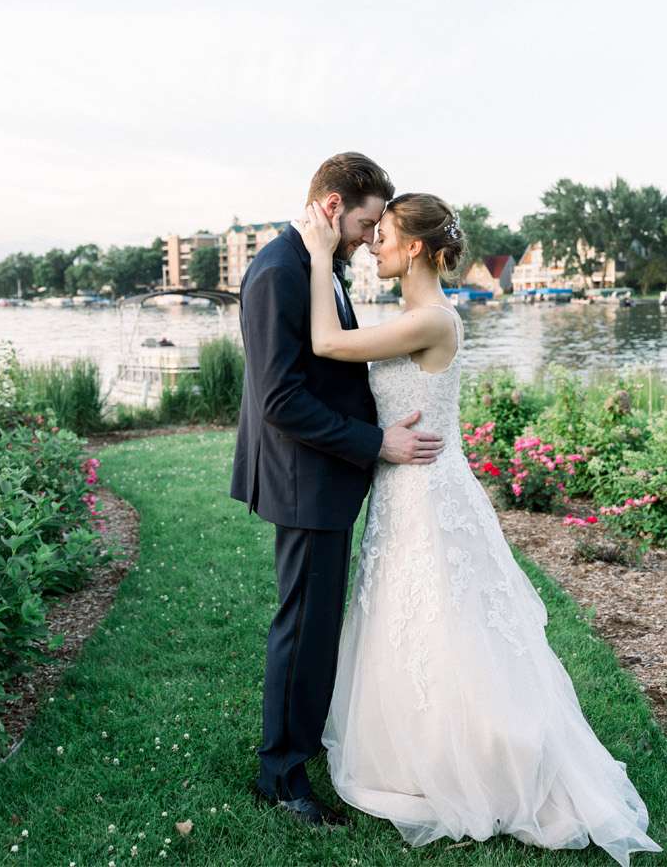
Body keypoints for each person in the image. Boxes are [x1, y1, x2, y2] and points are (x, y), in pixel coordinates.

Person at [298, 192, 664, 865]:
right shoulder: (413, 314)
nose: (372, 246)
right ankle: (414, 742)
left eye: (381, 237)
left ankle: (474, 756)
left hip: (427, 494)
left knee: (444, 618)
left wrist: (321, 257)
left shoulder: (432, 319)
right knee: (413, 618)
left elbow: (325, 343)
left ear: (412, 248)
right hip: (404, 487)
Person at [229, 152, 444, 828]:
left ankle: (300, 744)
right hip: (301, 477)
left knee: (317, 623)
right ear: (331, 207)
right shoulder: (277, 271)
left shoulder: (313, 264)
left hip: (320, 473)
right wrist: (374, 442)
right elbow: (280, 400)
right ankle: (282, 775)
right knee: (304, 627)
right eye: (364, 221)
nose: (367, 236)